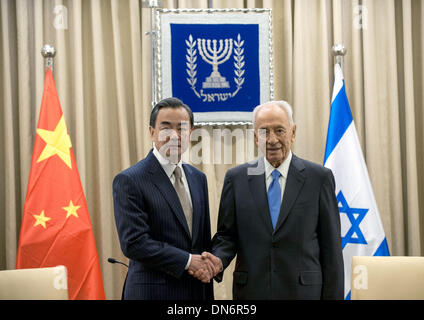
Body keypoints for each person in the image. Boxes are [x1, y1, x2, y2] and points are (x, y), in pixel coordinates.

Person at [201, 100, 344, 299]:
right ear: (255, 137)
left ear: (293, 133)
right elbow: (227, 237)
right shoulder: (236, 179)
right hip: (251, 293)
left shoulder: (319, 179)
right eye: (264, 132)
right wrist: (218, 260)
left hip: (304, 293)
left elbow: (332, 251)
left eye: (279, 130)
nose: (272, 139)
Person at [113, 97, 214, 300]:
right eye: (166, 128)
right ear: (152, 132)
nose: (175, 135)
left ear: (190, 133)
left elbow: (201, 241)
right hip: (152, 292)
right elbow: (134, 243)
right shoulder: (130, 180)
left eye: (182, 128)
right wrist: (187, 261)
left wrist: (209, 265)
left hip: (196, 292)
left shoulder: (198, 179)